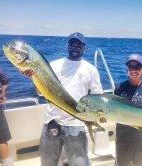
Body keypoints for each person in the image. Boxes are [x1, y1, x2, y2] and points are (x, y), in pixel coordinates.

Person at [23, 32, 103, 166]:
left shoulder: (91, 70)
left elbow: (98, 96)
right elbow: (40, 92)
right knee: (48, 163)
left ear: (84, 47)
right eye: (72, 44)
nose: (75, 47)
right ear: (68, 45)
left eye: (79, 45)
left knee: (80, 163)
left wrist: (98, 115)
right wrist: (33, 77)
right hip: (52, 121)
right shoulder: (53, 65)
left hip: (76, 123)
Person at [114, 53, 142, 166]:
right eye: (131, 67)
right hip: (123, 137)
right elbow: (114, 111)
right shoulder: (119, 88)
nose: (133, 70)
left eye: (137, 67)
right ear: (127, 69)